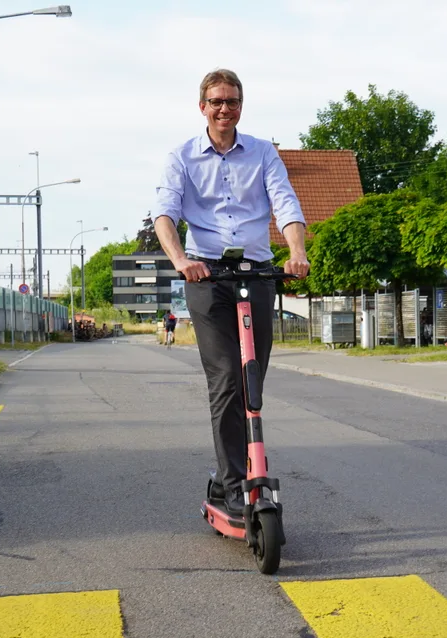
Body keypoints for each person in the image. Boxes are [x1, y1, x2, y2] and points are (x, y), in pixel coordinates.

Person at [152, 68, 310, 517]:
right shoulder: (181, 157)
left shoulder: (262, 153)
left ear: (241, 105)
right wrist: (182, 262)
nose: (225, 109)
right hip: (207, 277)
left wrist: (296, 251)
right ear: (202, 106)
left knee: (251, 378)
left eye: (233, 101)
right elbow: (164, 213)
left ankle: (236, 474)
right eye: (217, 101)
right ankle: (236, 482)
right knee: (225, 378)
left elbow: (286, 203)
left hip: (257, 274)